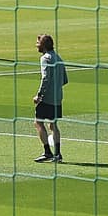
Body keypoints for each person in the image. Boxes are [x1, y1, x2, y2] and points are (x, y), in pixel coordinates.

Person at [33, 33, 69, 163]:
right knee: (53, 125)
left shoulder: (45, 58)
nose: (36, 45)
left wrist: (39, 95)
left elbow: (45, 78)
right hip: (57, 97)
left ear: (43, 45)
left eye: (38, 43)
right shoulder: (58, 57)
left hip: (47, 98)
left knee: (38, 122)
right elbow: (65, 79)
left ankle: (47, 152)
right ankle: (57, 154)